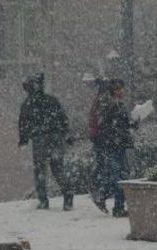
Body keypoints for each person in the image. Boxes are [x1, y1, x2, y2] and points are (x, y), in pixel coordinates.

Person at [18, 73, 75, 210]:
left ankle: (43, 200)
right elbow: (63, 118)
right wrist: (66, 134)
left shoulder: (28, 104)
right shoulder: (52, 100)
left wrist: (24, 139)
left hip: (39, 139)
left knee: (40, 170)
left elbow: (23, 124)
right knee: (57, 168)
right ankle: (68, 194)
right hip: (55, 137)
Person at [98, 79, 137, 217]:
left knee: (120, 175)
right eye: (118, 89)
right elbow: (107, 125)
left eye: (122, 88)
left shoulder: (120, 105)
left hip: (120, 144)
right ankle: (115, 203)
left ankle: (109, 199)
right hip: (115, 145)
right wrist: (124, 129)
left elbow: (124, 123)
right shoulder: (111, 105)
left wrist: (133, 122)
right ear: (113, 91)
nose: (121, 91)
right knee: (119, 176)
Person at [87, 78, 110, 214]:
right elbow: (102, 120)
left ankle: (98, 190)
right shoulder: (104, 100)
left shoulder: (99, 99)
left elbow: (95, 120)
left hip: (100, 137)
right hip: (104, 138)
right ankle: (99, 191)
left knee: (103, 164)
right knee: (107, 167)